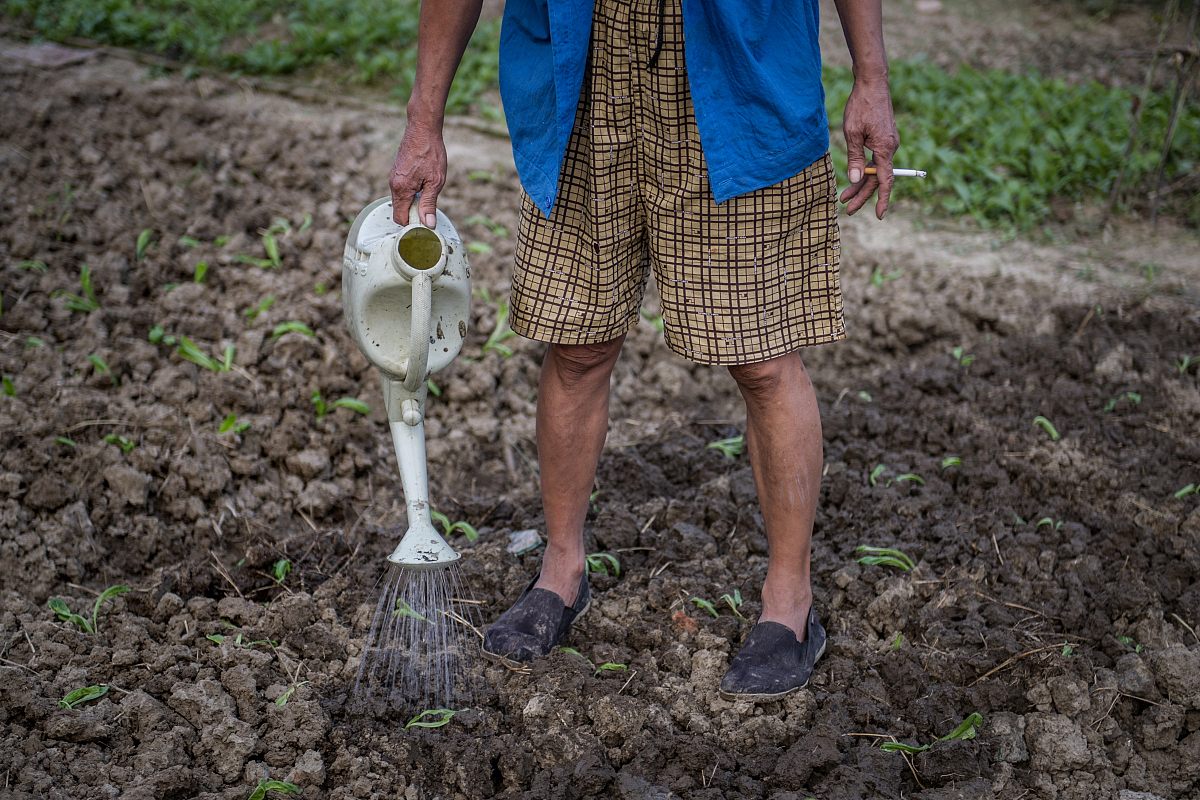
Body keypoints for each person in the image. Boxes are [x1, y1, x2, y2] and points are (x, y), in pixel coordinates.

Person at [389, 0, 898, 700]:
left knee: (762, 356)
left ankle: (791, 604)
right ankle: (561, 571)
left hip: (737, 72)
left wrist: (871, 75)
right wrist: (424, 120)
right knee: (577, 343)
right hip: (583, 68)